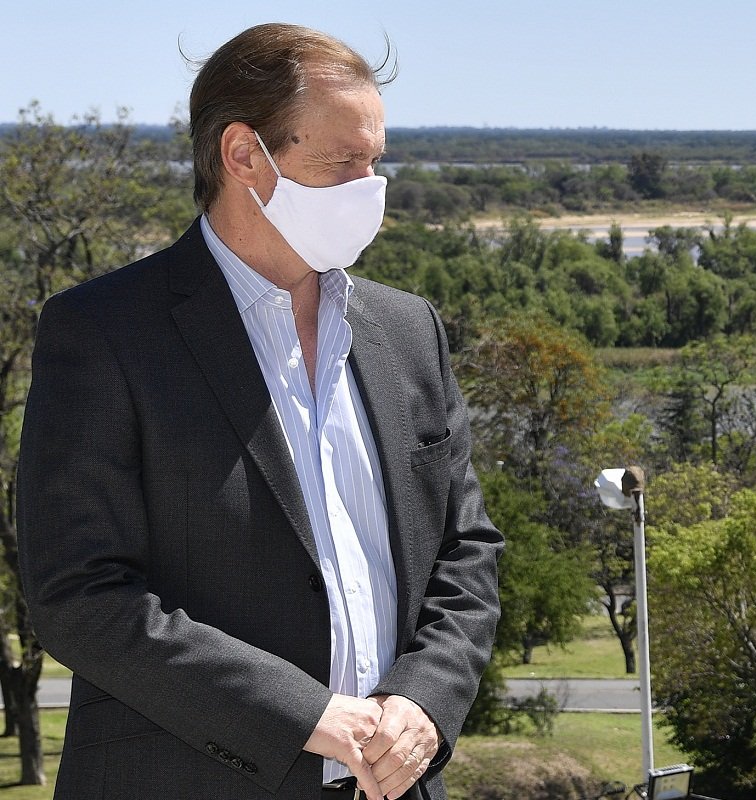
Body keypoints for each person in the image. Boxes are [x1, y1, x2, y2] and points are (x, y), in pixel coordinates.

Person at [17, 23, 502, 800]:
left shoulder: (409, 330)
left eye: (375, 161)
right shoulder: (104, 332)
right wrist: (303, 714)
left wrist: (424, 697)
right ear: (244, 155)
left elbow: (466, 548)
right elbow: (80, 594)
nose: (370, 186)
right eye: (344, 162)